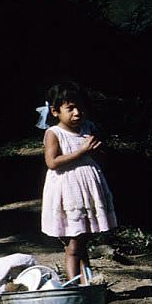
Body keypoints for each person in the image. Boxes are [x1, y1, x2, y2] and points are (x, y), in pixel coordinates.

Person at [40, 82, 117, 282]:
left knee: (82, 240)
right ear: (55, 111)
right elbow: (52, 162)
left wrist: (97, 150)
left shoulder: (88, 128)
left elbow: (101, 158)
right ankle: (75, 286)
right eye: (70, 108)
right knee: (73, 243)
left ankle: (87, 283)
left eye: (80, 108)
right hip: (68, 193)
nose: (77, 113)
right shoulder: (54, 133)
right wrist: (81, 151)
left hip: (87, 192)